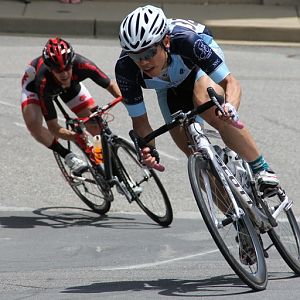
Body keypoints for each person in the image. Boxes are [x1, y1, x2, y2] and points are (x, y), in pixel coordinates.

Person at [115, 5, 279, 193]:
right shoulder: (125, 69)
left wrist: (230, 107)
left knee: (207, 105)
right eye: (136, 56)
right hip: (168, 87)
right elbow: (141, 124)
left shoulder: (187, 41)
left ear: (166, 41)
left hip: (197, 67)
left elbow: (230, 82)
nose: (143, 61)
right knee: (195, 157)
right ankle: (237, 218)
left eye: (149, 53)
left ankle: (261, 168)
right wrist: (148, 151)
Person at [21, 37, 121, 175]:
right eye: (57, 70)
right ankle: (67, 156)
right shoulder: (42, 82)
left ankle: (113, 172)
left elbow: (110, 85)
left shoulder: (83, 65)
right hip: (36, 87)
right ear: (50, 69)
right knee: (33, 124)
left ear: (72, 62)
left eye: (67, 67)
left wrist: (127, 101)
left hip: (71, 86)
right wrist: (74, 137)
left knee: (95, 124)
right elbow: (53, 127)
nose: (64, 73)